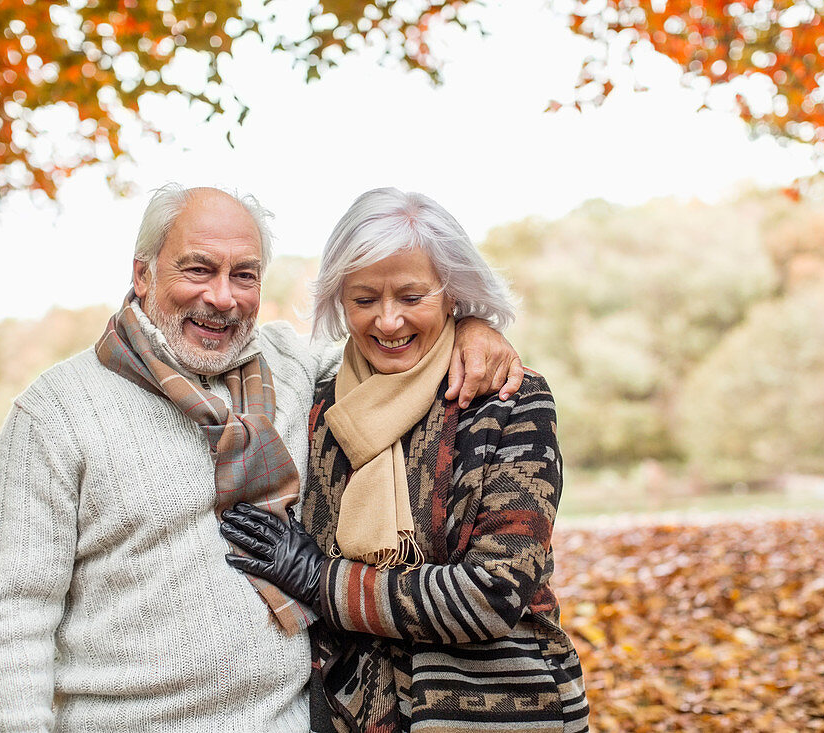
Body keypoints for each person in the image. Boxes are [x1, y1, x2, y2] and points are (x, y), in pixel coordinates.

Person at [0, 184, 524, 732]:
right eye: (197, 269)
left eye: (244, 275)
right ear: (142, 275)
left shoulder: (290, 368)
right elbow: (11, 619)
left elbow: (392, 344)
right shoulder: (58, 412)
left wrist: (471, 328)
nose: (223, 297)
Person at [220, 187, 589, 733]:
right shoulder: (319, 405)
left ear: (451, 294)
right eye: (364, 300)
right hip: (352, 714)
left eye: (412, 297)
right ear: (339, 301)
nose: (388, 322)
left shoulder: (509, 400)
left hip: (503, 708)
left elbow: (493, 592)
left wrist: (319, 578)